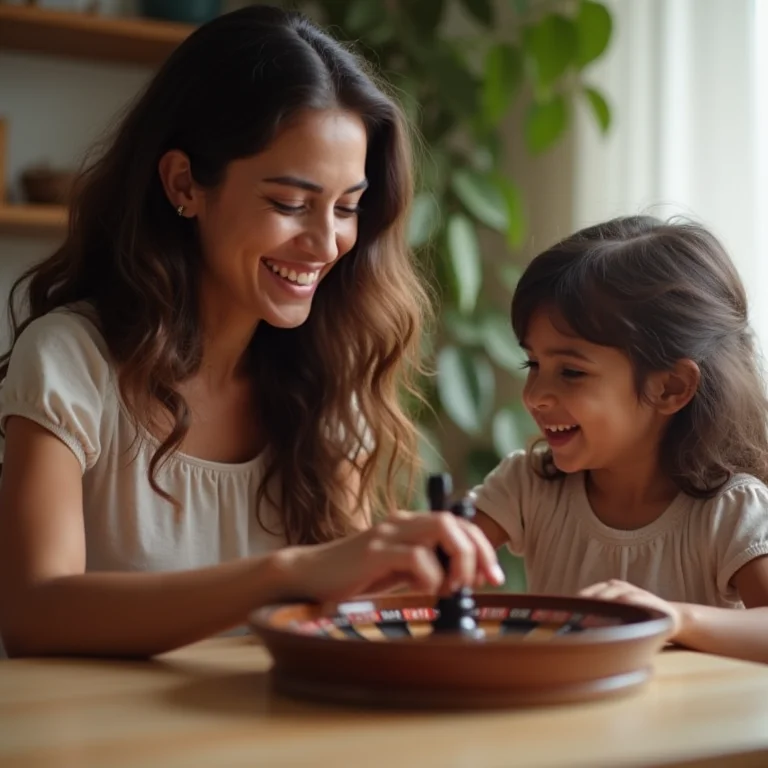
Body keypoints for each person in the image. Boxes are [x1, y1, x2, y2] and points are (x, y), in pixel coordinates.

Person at [0, 5, 503, 659]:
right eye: (290, 203)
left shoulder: (325, 378)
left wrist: (412, 578)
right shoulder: (71, 361)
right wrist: (284, 574)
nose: (326, 243)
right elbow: (35, 611)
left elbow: (340, 616)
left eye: (347, 207)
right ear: (185, 184)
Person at [468, 215, 768, 664]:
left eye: (571, 372)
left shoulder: (731, 510)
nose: (534, 397)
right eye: (532, 364)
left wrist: (676, 619)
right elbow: (421, 570)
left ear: (670, 388)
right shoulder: (527, 485)